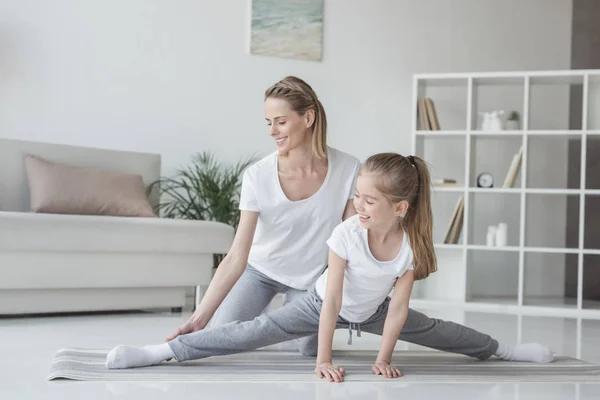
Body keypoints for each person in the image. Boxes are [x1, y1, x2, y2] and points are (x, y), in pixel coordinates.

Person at [119, 76, 553, 365]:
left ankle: (503, 350)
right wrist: (199, 317)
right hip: (266, 273)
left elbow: (363, 235)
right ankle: (168, 350)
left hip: (321, 282)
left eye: (281, 121)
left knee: (310, 350)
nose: (272, 130)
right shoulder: (257, 175)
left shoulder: (350, 170)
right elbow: (237, 255)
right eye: (268, 122)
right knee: (236, 335)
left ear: (308, 118)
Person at [105, 153, 553, 382]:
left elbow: (398, 309)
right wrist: (324, 358)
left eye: (368, 200)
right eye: (356, 195)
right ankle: (158, 353)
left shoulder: (410, 246)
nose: (357, 204)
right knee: (249, 332)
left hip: (375, 310)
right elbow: (333, 298)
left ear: (399, 208)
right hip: (321, 304)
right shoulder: (346, 235)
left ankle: (503, 350)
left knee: (443, 332)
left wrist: (383, 359)